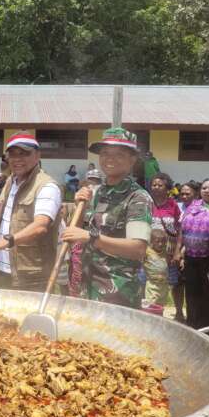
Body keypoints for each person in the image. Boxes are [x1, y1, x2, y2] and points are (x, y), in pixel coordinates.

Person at [60, 128, 150, 307]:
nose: (110, 159)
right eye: (105, 153)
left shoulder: (138, 197)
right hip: (86, 284)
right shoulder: (95, 192)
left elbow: (138, 248)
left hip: (117, 292)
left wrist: (92, 239)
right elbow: (73, 236)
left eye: (119, 154)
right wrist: (81, 206)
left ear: (132, 159)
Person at [0, 132, 62, 292]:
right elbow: (10, 216)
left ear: (37, 155)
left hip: (31, 274)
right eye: (12, 154)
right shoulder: (11, 181)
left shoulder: (46, 186)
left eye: (24, 153)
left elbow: (40, 226)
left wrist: (7, 241)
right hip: (3, 268)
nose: (17, 159)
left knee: (26, 316)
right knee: (3, 315)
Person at [176, 182, 209, 329]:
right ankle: (191, 324)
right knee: (191, 292)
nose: (207, 191)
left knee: (207, 293)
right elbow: (181, 231)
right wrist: (178, 251)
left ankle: (206, 326)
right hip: (191, 257)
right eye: (205, 188)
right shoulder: (192, 207)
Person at [149, 173, 183, 322]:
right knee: (149, 282)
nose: (156, 187)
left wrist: (177, 252)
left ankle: (179, 312)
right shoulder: (146, 203)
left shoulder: (173, 205)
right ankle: (149, 312)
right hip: (149, 253)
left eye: (160, 185)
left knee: (174, 283)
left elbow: (180, 229)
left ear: (167, 188)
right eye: (154, 185)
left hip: (169, 252)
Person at [144, 229, 171, 306]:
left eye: (163, 242)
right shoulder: (147, 252)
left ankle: (160, 316)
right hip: (152, 286)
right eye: (157, 241)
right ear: (151, 242)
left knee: (161, 306)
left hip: (164, 285)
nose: (160, 244)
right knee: (152, 306)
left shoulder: (165, 253)